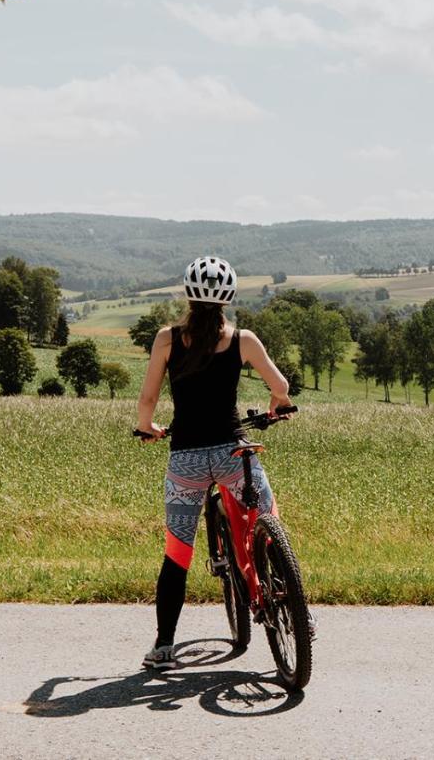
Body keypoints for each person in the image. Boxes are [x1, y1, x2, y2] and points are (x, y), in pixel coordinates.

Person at [135, 256, 294, 670]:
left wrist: (147, 426)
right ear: (228, 297)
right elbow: (281, 386)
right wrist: (278, 405)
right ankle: (297, 609)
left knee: (177, 553)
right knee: (269, 521)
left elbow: (148, 400)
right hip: (233, 454)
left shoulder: (167, 339)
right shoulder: (244, 340)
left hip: (186, 458)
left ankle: (164, 646)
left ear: (189, 295)